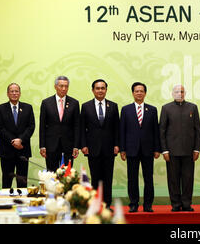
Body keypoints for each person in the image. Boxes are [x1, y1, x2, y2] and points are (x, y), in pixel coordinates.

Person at [120, 82, 160, 213]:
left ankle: (148, 204)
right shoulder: (126, 110)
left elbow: (156, 131)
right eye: (136, 91)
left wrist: (157, 148)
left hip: (148, 149)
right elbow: (122, 130)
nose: (139, 93)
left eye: (141, 91)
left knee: (148, 178)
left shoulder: (152, 110)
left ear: (145, 93)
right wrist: (122, 149)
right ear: (132, 93)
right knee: (132, 178)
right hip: (131, 149)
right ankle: (133, 203)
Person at [160, 85, 200, 212]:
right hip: (171, 151)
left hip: (189, 151)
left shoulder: (192, 107)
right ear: (173, 94)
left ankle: (187, 204)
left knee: (188, 179)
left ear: (185, 93)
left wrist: (196, 149)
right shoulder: (166, 108)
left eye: (182, 91)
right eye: (177, 91)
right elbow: (162, 130)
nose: (180, 93)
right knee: (173, 179)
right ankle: (176, 204)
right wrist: (164, 150)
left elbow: (197, 130)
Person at [80, 79, 120, 209]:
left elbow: (116, 128)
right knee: (95, 177)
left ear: (106, 90)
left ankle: (107, 204)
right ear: (93, 90)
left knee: (108, 178)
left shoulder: (113, 106)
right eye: (97, 88)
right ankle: (96, 204)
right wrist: (84, 145)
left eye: (103, 88)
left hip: (109, 148)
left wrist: (117, 145)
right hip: (92, 148)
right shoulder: (86, 106)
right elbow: (82, 128)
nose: (100, 90)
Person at [0, 83, 35, 188]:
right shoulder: (0, 109)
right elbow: (0, 128)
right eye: (12, 91)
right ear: (8, 94)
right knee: (7, 182)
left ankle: (23, 204)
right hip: (6, 151)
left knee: (22, 182)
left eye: (16, 91)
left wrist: (21, 140)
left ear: (20, 93)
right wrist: (13, 141)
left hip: (23, 150)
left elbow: (31, 127)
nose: (14, 93)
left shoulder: (28, 108)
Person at [39, 76, 80, 171]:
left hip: (68, 145)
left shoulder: (74, 103)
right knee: (51, 174)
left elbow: (77, 126)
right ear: (55, 86)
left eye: (66, 86)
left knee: (67, 175)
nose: (64, 89)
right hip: (51, 145)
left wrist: (76, 146)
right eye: (61, 86)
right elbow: (42, 126)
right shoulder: (46, 103)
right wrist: (42, 145)